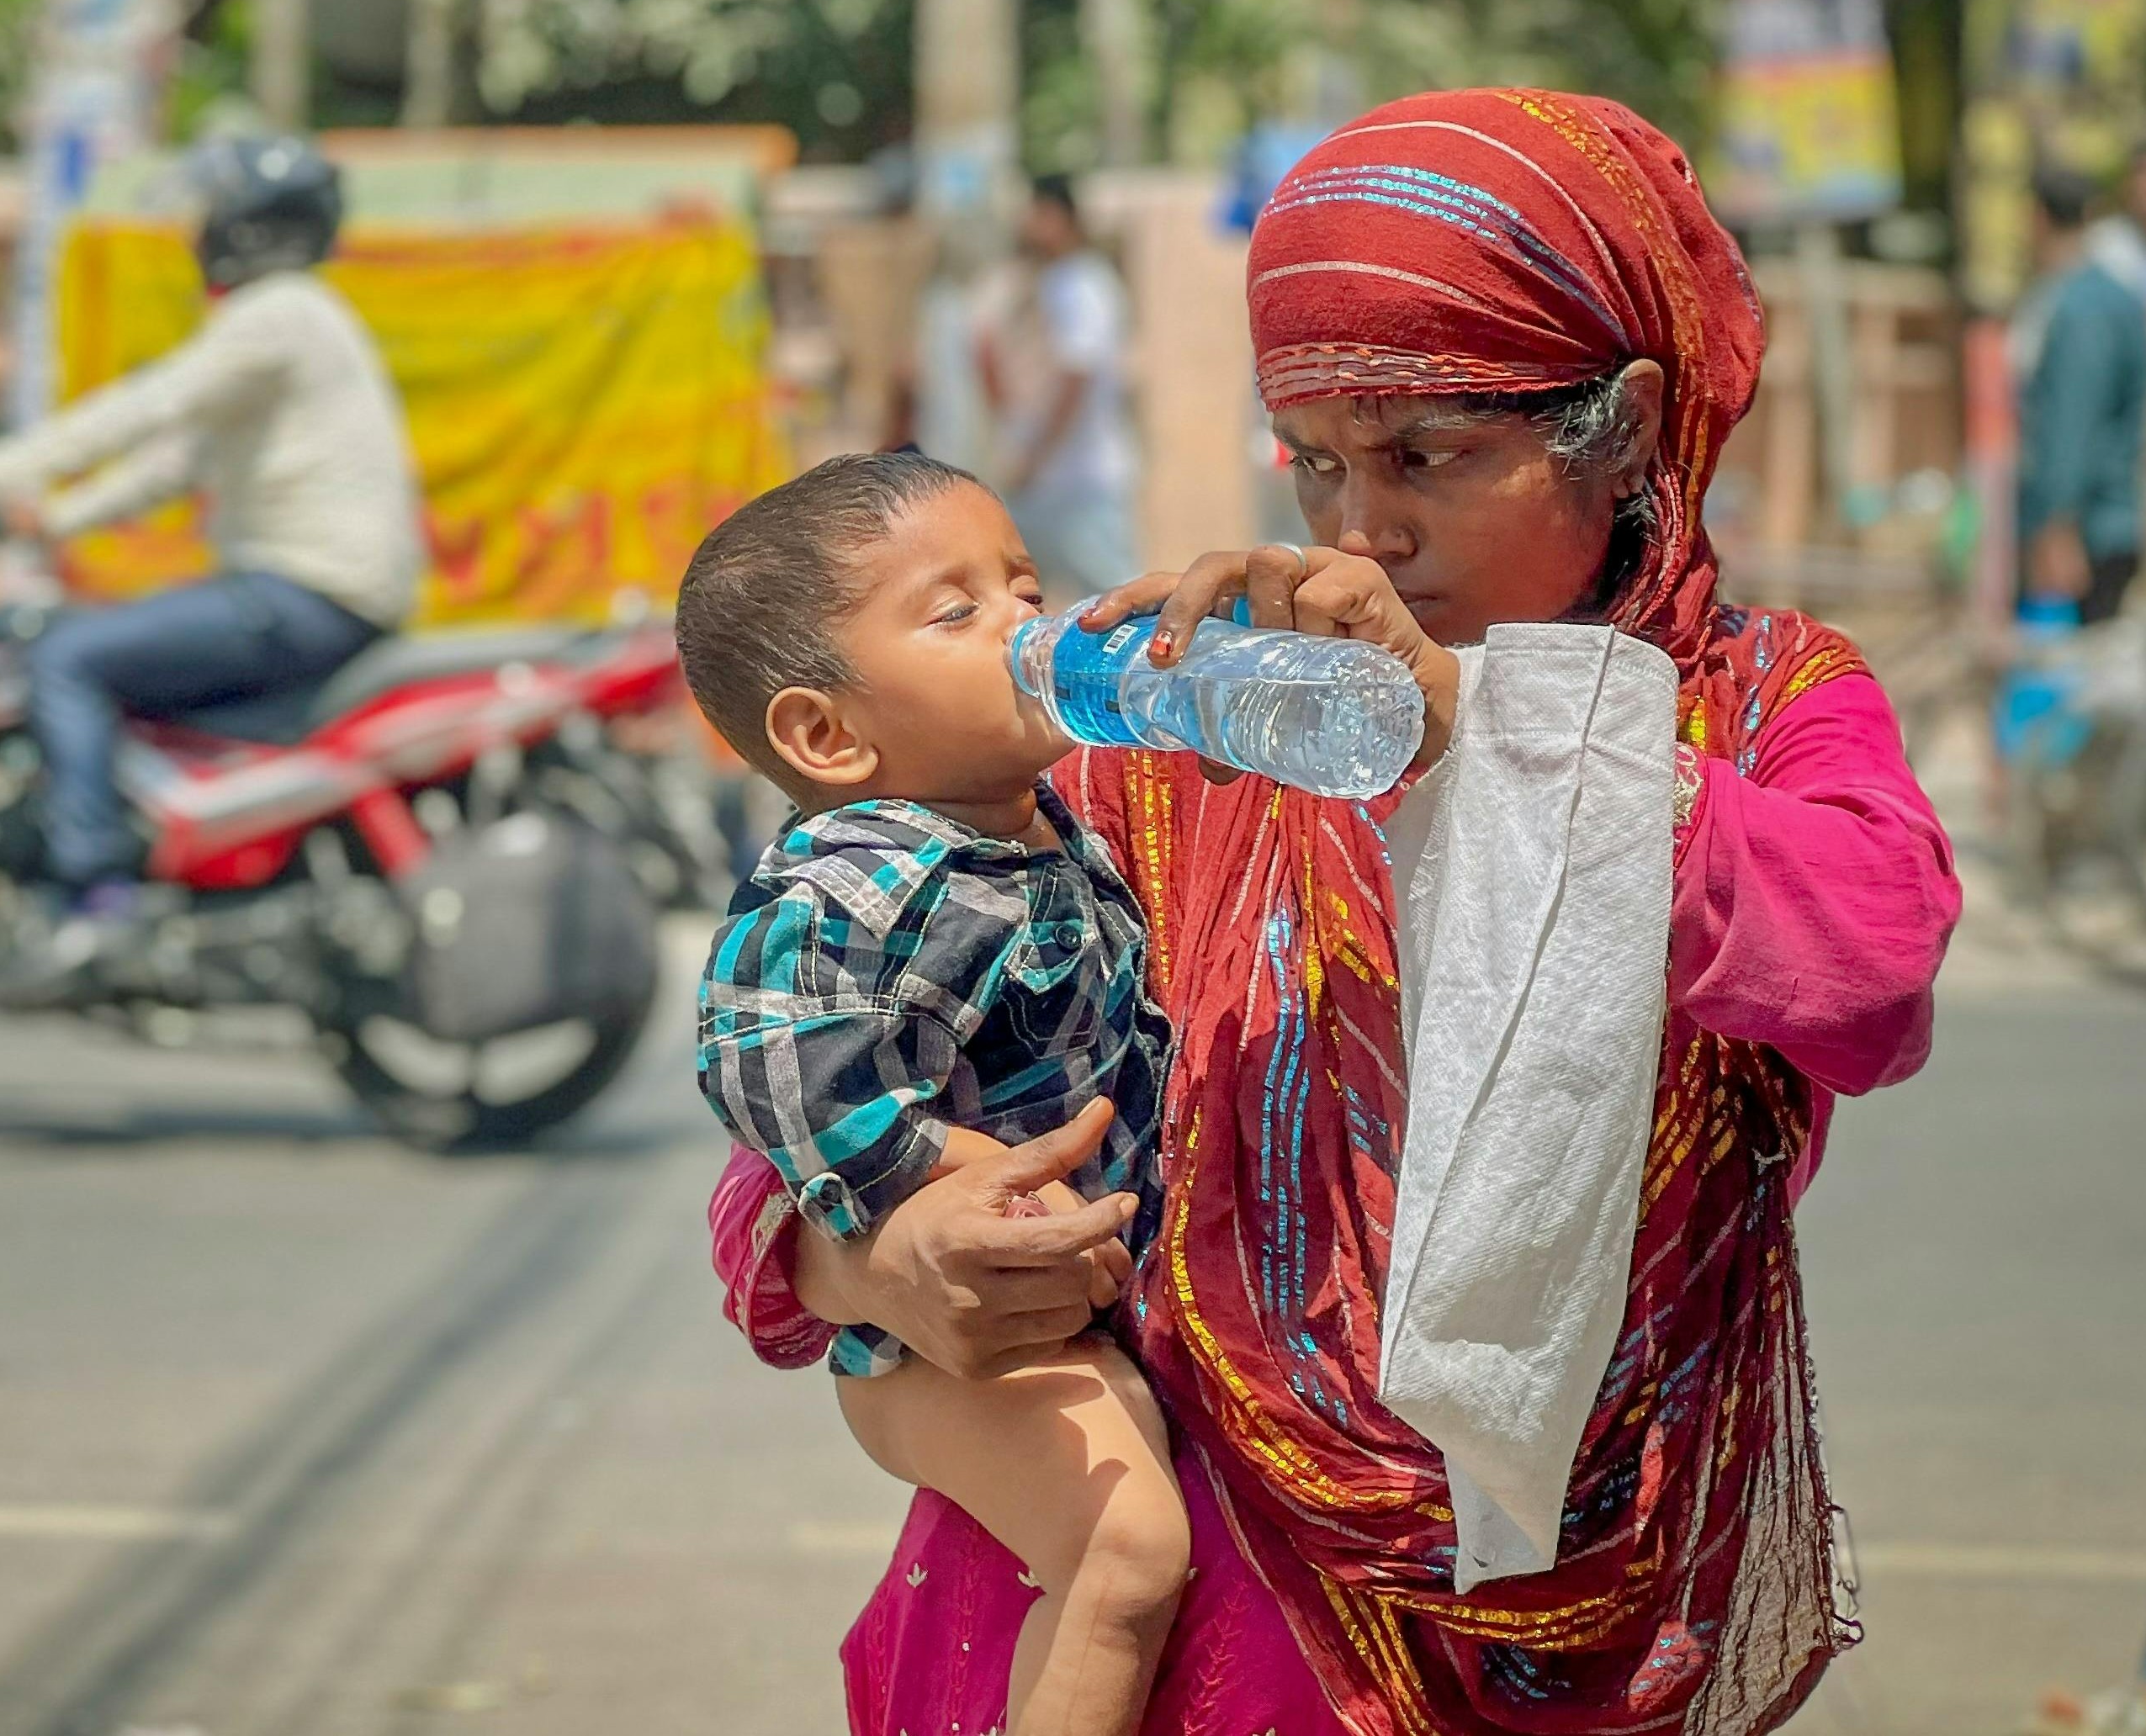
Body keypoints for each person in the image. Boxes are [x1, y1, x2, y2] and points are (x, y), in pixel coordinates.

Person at [707, 88, 1960, 1736]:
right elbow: (800, 1105)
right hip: (1202, 1604)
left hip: (1588, 1591)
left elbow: (1870, 968)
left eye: (1423, 457)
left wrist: (1484, 740)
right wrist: (873, 1256)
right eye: (1310, 460)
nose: (1356, 529)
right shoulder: (1204, 728)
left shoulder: (1755, 704)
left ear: (1629, 426)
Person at [678, 453, 1186, 1736]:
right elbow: (757, 1046)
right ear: (824, 735)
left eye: (1022, 584)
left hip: (1060, 1298)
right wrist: (924, 1185)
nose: (1027, 623)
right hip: (933, 1341)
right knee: (1124, 1547)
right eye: (956, 612)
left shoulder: (1037, 820)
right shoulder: (858, 878)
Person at [0, 136, 421, 987]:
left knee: (66, 657)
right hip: (306, 593)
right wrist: (47, 520)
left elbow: (157, 404)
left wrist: (1, 469)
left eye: (215, 212)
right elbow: (174, 462)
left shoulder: (284, 314)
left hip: (301, 594)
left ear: (252, 227)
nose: (200, 230)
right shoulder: (289, 326)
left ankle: (96, 896)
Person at [978, 175, 1139, 598]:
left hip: (1080, 478)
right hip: (1050, 479)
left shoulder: (1083, 283)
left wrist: (1037, 454)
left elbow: (1077, 378)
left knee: (1118, 598)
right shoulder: (1052, 280)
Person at [2016, 164, 2146, 625]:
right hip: (2103, 521)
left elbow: (2073, 421)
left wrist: (2056, 526)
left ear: (2037, 218)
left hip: (2085, 530)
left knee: (2072, 678)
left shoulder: (2082, 309)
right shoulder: (2109, 296)